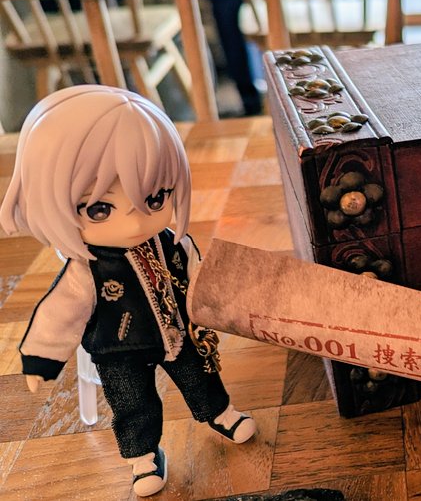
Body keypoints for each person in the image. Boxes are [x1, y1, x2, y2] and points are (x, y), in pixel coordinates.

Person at [0, 85, 257, 496]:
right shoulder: (87, 269)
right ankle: (143, 456)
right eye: (99, 209)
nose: (136, 222)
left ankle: (220, 413)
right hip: (117, 350)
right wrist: (41, 359)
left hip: (178, 332)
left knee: (201, 374)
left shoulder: (171, 242)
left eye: (155, 199)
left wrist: (230, 303)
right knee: (132, 403)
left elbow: (201, 273)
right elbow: (61, 312)